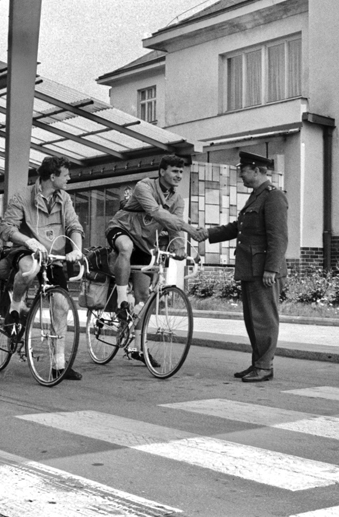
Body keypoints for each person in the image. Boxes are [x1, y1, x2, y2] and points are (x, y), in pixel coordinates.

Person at [105, 155, 208, 364]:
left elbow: (173, 228)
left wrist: (179, 247)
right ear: (162, 171)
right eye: (174, 171)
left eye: (181, 172)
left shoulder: (177, 200)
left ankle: (138, 347)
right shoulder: (144, 186)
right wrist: (190, 229)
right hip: (121, 229)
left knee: (143, 297)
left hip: (144, 243)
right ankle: (121, 299)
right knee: (126, 246)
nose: (179, 175)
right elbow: (156, 212)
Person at [0, 156, 85, 380]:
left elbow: (74, 225)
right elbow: (7, 228)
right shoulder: (22, 196)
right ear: (52, 177)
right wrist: (28, 241)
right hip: (27, 250)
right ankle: (15, 306)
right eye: (65, 174)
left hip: (53, 256)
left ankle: (59, 364)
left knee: (61, 306)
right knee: (30, 270)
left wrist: (76, 248)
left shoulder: (64, 198)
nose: (69, 178)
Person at [205, 151, 288, 382]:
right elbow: (238, 228)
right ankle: (258, 364)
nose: (240, 174)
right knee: (253, 320)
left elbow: (278, 237)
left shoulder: (274, 196)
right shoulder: (256, 196)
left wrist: (271, 268)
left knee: (264, 319)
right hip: (251, 268)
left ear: (258, 170)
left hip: (264, 270)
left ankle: (264, 366)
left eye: (243, 169)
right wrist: (208, 233)